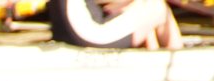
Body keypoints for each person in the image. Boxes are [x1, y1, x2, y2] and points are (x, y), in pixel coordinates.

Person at [49, 0, 183, 49]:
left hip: (67, 29)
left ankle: (153, 53)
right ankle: (178, 58)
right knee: (157, 6)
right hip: (89, 32)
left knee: (141, 7)